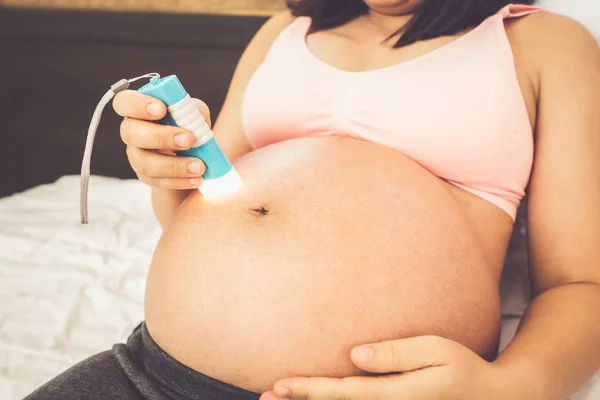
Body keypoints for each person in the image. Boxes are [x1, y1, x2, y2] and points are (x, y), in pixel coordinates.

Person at [28, 1, 600, 399]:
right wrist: (166, 169)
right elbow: (189, 209)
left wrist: (510, 390)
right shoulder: (281, 31)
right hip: (159, 373)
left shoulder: (543, 43)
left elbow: (581, 283)